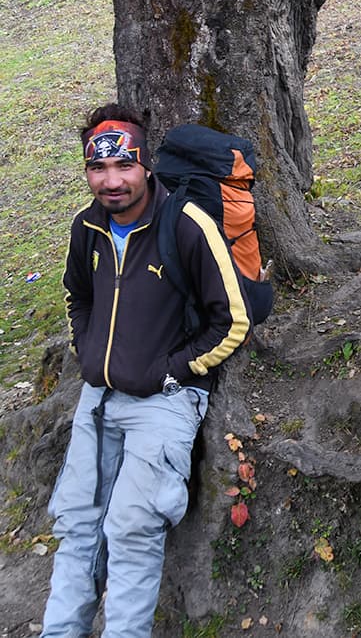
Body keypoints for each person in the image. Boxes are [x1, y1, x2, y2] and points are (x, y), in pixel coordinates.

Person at [42, 105, 250, 636]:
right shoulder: (86, 226)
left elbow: (232, 320)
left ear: (145, 164)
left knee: (133, 528)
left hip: (164, 402)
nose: (111, 182)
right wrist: (88, 352)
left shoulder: (185, 224)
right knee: (78, 529)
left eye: (124, 167)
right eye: (98, 169)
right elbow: (78, 297)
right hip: (98, 398)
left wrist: (170, 372)